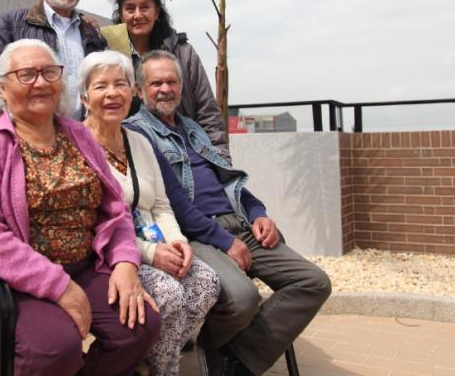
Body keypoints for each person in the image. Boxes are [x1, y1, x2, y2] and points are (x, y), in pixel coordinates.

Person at [0, 39, 160, 376]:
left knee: (139, 327)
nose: (40, 82)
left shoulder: (78, 135)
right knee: (54, 347)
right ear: (2, 87)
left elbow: (115, 209)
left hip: (83, 266)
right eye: (26, 74)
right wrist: (57, 285)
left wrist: (126, 262)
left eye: (49, 73)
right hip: (14, 280)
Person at [125, 50, 332, 376]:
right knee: (241, 298)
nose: (165, 88)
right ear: (139, 90)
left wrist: (258, 212)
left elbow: (228, 178)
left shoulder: (192, 128)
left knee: (313, 282)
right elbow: (175, 204)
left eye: (172, 81)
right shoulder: (137, 133)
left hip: (240, 222)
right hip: (198, 232)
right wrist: (224, 240)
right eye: (156, 83)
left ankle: (234, 359)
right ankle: (225, 358)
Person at [78, 51, 220, 376]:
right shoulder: (78, 145)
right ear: (85, 97)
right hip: (113, 254)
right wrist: (151, 253)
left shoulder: (139, 141)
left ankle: (149, 364)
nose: (113, 93)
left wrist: (177, 242)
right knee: (169, 295)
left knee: (206, 283)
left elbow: (160, 205)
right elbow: (94, 224)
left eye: (121, 84)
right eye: (101, 86)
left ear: (132, 93)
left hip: (156, 242)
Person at [112, 0, 228, 156]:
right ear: (121, 15)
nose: (137, 15)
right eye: (130, 8)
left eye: (145, 7)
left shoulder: (183, 53)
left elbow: (208, 112)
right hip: (134, 155)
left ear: (157, 12)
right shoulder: (111, 56)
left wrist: (222, 162)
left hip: (189, 150)